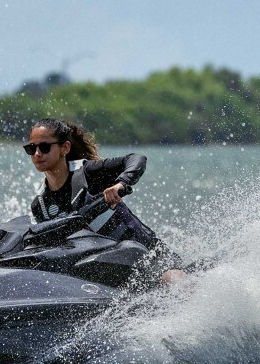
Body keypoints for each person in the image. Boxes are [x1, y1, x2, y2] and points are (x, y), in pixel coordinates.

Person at [23, 118, 185, 284]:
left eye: (44, 147)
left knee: (171, 281)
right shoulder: (40, 205)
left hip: (152, 258)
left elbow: (137, 159)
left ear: (65, 148)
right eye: (31, 148)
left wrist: (120, 185)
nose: (37, 154)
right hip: (108, 272)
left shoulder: (88, 173)